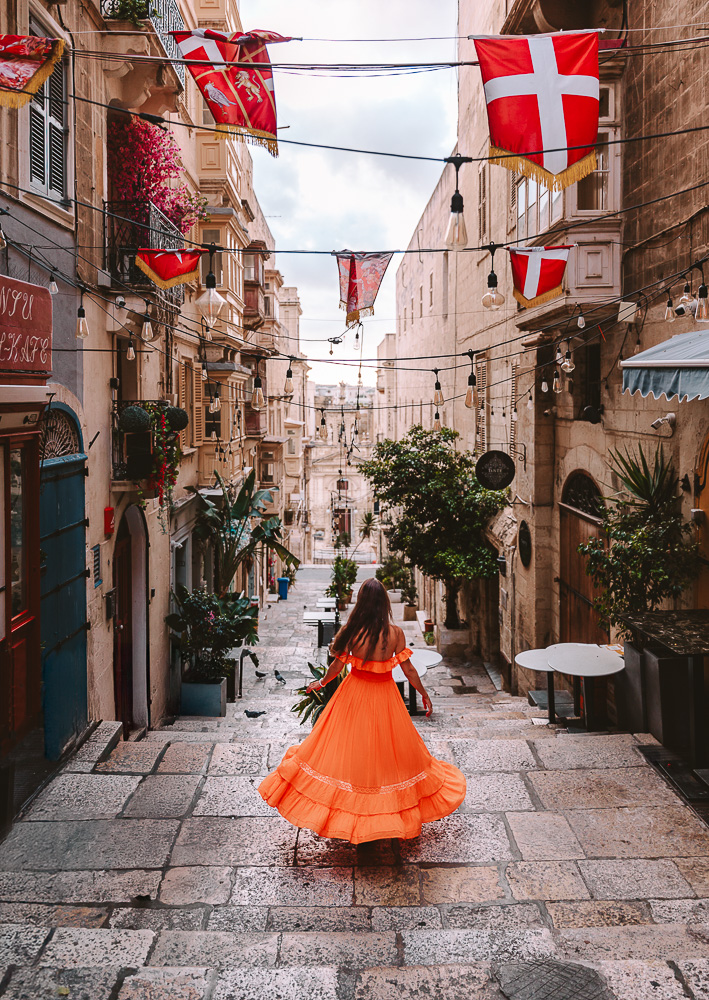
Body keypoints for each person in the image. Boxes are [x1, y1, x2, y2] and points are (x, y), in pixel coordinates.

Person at [258, 578, 466, 843]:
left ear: (361, 602)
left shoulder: (351, 631)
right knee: (386, 750)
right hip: (386, 697)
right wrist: (424, 693)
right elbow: (409, 669)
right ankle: (383, 808)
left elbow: (336, 667)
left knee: (352, 749)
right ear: (384, 603)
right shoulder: (395, 634)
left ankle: (353, 807)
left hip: (353, 695)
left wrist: (320, 683)